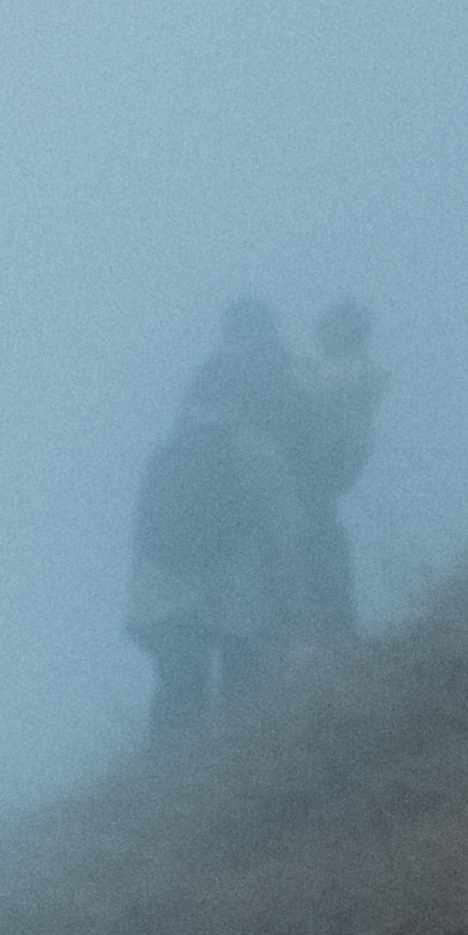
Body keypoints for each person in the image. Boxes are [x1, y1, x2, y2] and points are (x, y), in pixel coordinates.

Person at [124, 301, 311, 740]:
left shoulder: (166, 453)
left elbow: (146, 530)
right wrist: (291, 594)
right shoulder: (254, 452)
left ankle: (170, 775)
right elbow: (286, 529)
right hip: (231, 586)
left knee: (177, 693)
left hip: (162, 591)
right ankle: (241, 762)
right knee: (244, 686)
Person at [283, 300, 386, 643]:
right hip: (323, 461)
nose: (322, 332)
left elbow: (313, 387)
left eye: (331, 326)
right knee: (311, 532)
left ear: (352, 332)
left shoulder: (361, 369)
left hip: (333, 458)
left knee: (318, 532)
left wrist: (287, 367)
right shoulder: (334, 367)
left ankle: (333, 626)